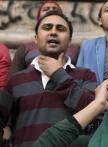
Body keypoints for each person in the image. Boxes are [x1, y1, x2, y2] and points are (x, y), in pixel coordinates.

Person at [0, 11, 96, 147]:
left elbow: (94, 111)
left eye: (60, 29)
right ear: (36, 39)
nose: (53, 32)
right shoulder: (17, 80)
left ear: (69, 41)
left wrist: (59, 75)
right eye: (47, 28)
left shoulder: (86, 76)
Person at [9, 0, 79, 76]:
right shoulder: (25, 47)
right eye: (46, 9)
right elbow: (12, 79)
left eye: (55, 9)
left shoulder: (74, 49)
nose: (51, 11)